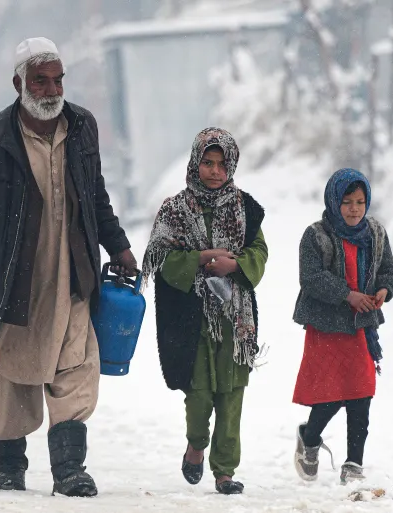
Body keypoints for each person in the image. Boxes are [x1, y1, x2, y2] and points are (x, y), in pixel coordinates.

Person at [0, 37, 137, 497]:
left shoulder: (83, 127)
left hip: (71, 276)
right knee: (5, 376)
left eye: (57, 79)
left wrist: (118, 245)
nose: (51, 89)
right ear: (18, 83)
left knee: (75, 366)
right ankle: (9, 466)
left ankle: (68, 471)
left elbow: (96, 194)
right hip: (8, 280)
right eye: (40, 80)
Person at [143, 128, 268, 495]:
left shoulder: (248, 209)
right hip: (192, 318)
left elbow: (259, 252)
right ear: (195, 162)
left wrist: (236, 266)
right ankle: (196, 444)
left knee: (232, 395)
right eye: (207, 163)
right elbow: (159, 256)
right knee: (198, 396)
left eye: (221, 164)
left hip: (235, 319)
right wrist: (198, 259)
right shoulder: (174, 209)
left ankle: (225, 471)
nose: (214, 171)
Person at [292, 168, 393, 485]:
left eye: (360, 201)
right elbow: (311, 279)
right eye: (347, 201)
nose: (354, 209)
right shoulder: (316, 236)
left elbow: (391, 272)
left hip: (361, 328)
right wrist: (347, 295)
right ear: (333, 201)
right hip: (327, 327)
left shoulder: (376, 234)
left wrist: (384, 290)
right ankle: (309, 437)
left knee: (360, 394)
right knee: (330, 395)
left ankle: (353, 463)